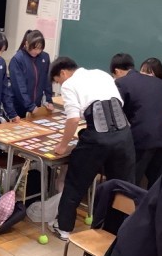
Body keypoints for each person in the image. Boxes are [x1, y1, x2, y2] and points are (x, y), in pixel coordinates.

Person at [50, 57, 135, 240]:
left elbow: (73, 119)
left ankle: (64, 229)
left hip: (97, 138)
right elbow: (118, 103)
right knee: (123, 186)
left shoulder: (69, 84)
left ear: (63, 73)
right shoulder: (102, 74)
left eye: (58, 81)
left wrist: (63, 145)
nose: (60, 85)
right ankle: (118, 231)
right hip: (124, 135)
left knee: (75, 182)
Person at [110, 53, 162, 188]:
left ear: (117, 71)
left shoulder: (121, 83)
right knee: (158, 186)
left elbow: (117, 114)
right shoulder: (158, 82)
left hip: (142, 139)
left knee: (130, 184)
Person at [9, 29, 54, 118]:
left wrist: (49, 100)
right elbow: (19, 87)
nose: (37, 51)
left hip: (36, 105)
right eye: (34, 48)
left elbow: (47, 81)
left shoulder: (44, 57)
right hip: (19, 107)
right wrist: (30, 106)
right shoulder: (18, 59)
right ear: (26, 44)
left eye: (40, 48)